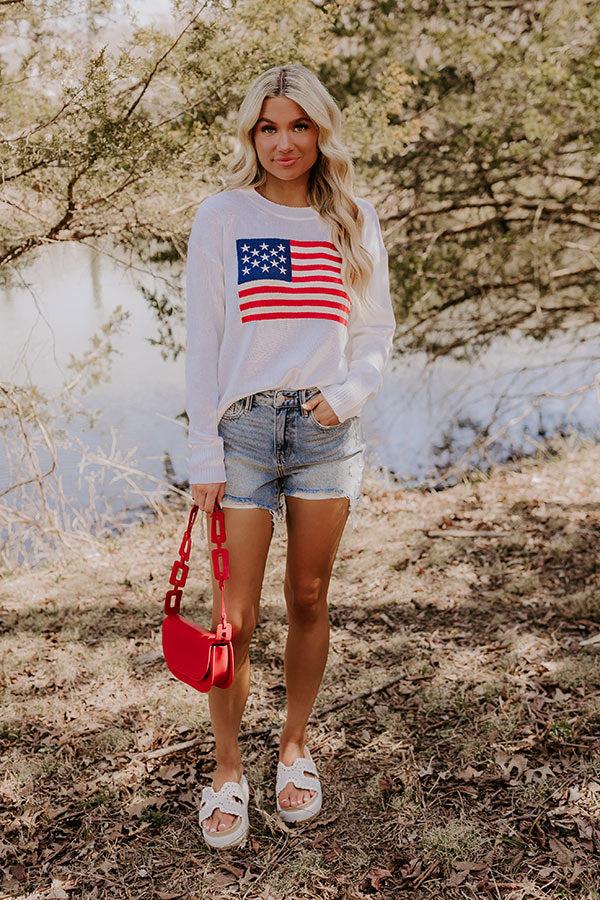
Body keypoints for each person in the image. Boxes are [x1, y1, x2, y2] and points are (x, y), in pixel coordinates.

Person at [186, 62, 396, 849]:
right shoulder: (223, 216)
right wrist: (202, 449)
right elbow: (202, 341)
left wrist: (346, 396)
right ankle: (229, 770)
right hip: (241, 433)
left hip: (323, 432)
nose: (284, 142)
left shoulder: (352, 214)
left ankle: (295, 748)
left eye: (299, 126)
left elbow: (374, 334)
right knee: (230, 621)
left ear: (321, 131)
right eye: (269, 127)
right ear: (252, 133)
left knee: (308, 597)